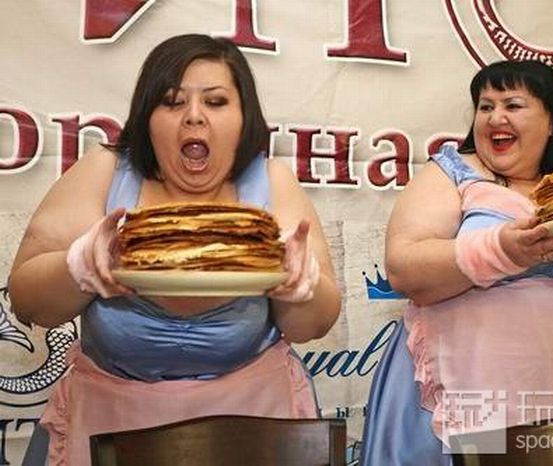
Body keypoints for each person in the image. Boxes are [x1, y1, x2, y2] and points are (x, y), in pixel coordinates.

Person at [9, 34, 341, 466]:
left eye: (216, 102)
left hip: (252, 427)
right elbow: (29, 301)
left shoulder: (272, 182)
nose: (194, 116)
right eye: (172, 102)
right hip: (108, 425)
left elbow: (312, 324)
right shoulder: (105, 171)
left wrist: (299, 283)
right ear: (147, 117)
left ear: (244, 118)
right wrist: (82, 265)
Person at [360, 60, 553, 465]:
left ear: (552, 121)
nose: (495, 118)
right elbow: (404, 269)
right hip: (475, 396)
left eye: (512, 105)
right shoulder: (453, 172)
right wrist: (502, 251)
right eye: (485, 106)